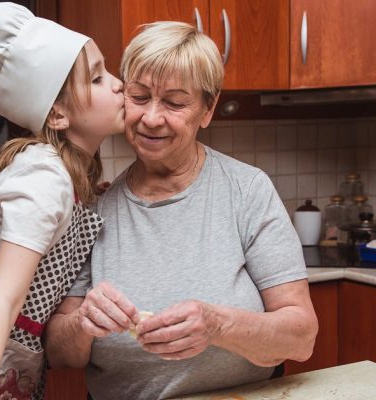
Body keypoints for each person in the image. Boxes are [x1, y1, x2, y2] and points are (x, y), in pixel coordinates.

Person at [45, 21, 319, 399]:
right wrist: (82, 323)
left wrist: (217, 325)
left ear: (207, 109)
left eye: (174, 103)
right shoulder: (94, 206)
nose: (152, 118)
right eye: (139, 97)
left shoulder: (246, 190)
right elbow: (61, 354)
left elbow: (301, 337)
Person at [0, 3, 124, 400]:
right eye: (97, 79)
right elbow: (4, 298)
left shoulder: (67, 174)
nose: (117, 84)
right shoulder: (46, 179)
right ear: (58, 114)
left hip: (8, 348)